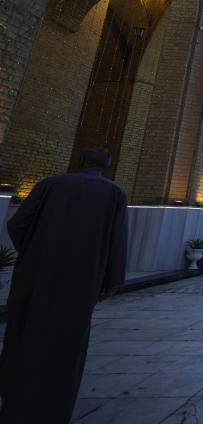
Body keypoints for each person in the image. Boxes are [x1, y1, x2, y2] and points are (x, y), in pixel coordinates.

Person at [0, 147, 128, 423]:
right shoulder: (114, 194)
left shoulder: (49, 185)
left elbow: (17, 224)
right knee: (69, 343)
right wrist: (112, 280)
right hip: (82, 280)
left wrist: (34, 252)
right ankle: (55, 408)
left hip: (35, 275)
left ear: (79, 160)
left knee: (23, 334)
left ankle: (14, 402)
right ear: (107, 166)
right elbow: (117, 242)